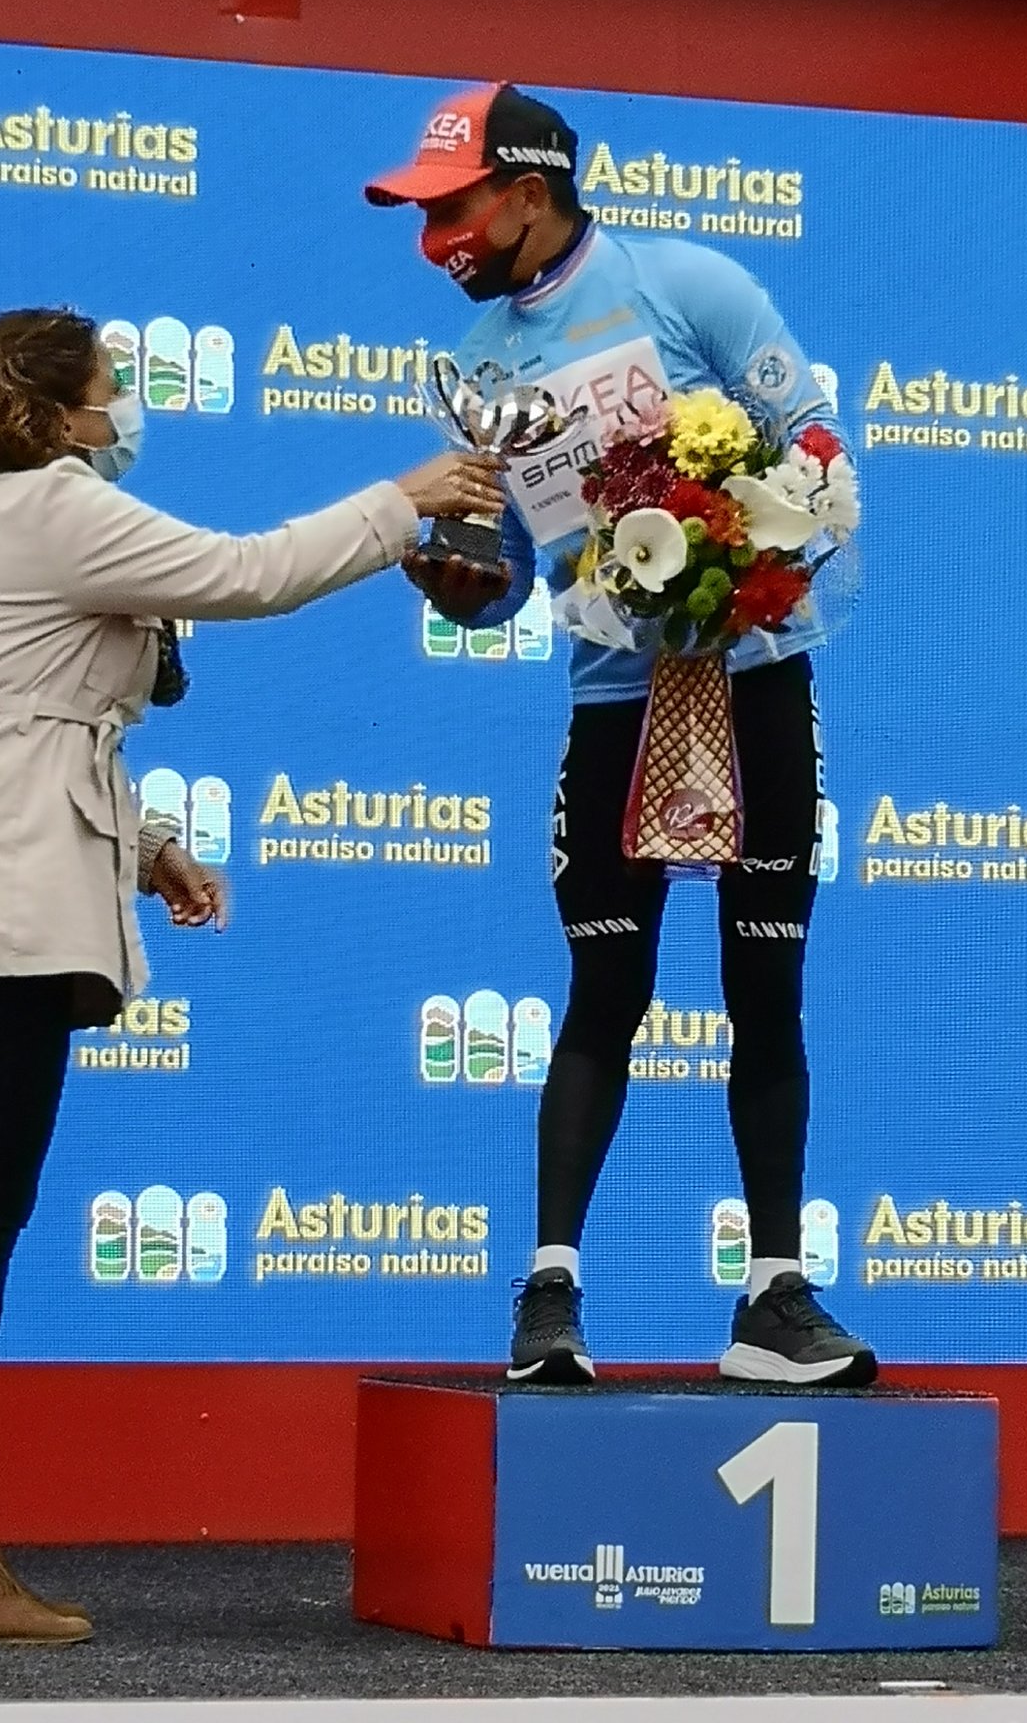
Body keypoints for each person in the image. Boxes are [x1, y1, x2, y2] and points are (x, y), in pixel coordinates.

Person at [0, 307, 503, 1644]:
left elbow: (31, 717)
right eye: (110, 389)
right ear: (52, 411)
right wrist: (411, 492)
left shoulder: (14, 515)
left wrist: (145, 846)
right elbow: (250, 572)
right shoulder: (50, 502)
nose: (124, 409)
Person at [366, 84, 876, 1391]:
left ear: (528, 194)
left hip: (757, 684)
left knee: (767, 984)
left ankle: (773, 1300)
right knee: (608, 990)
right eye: (424, 217)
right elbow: (507, 568)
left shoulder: (690, 282)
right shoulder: (479, 366)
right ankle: (549, 1297)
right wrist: (467, 589)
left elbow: (819, 456)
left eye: (452, 208)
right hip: (613, 704)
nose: (438, 240)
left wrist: (731, 556)